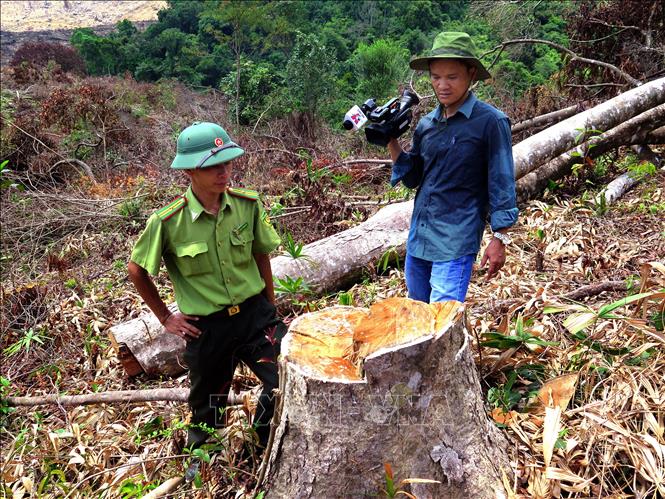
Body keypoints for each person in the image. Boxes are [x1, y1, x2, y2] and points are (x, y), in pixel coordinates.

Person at [127, 121, 285, 451]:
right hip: (208, 330)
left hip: (256, 317)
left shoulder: (247, 204)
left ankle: (259, 443)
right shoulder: (169, 222)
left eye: (226, 163)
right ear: (189, 172)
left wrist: (269, 305)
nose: (223, 172)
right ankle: (201, 462)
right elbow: (137, 270)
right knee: (207, 410)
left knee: (285, 381)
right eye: (212, 166)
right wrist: (166, 318)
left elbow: (261, 254)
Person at [387, 31, 518, 303]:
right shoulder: (427, 125)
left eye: (452, 77)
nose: (442, 85)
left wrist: (499, 239)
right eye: (436, 77)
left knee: (443, 315)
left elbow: (502, 181)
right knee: (417, 311)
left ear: (471, 74)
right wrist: (390, 141)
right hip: (420, 238)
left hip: (456, 239)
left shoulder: (490, 122)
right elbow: (415, 178)